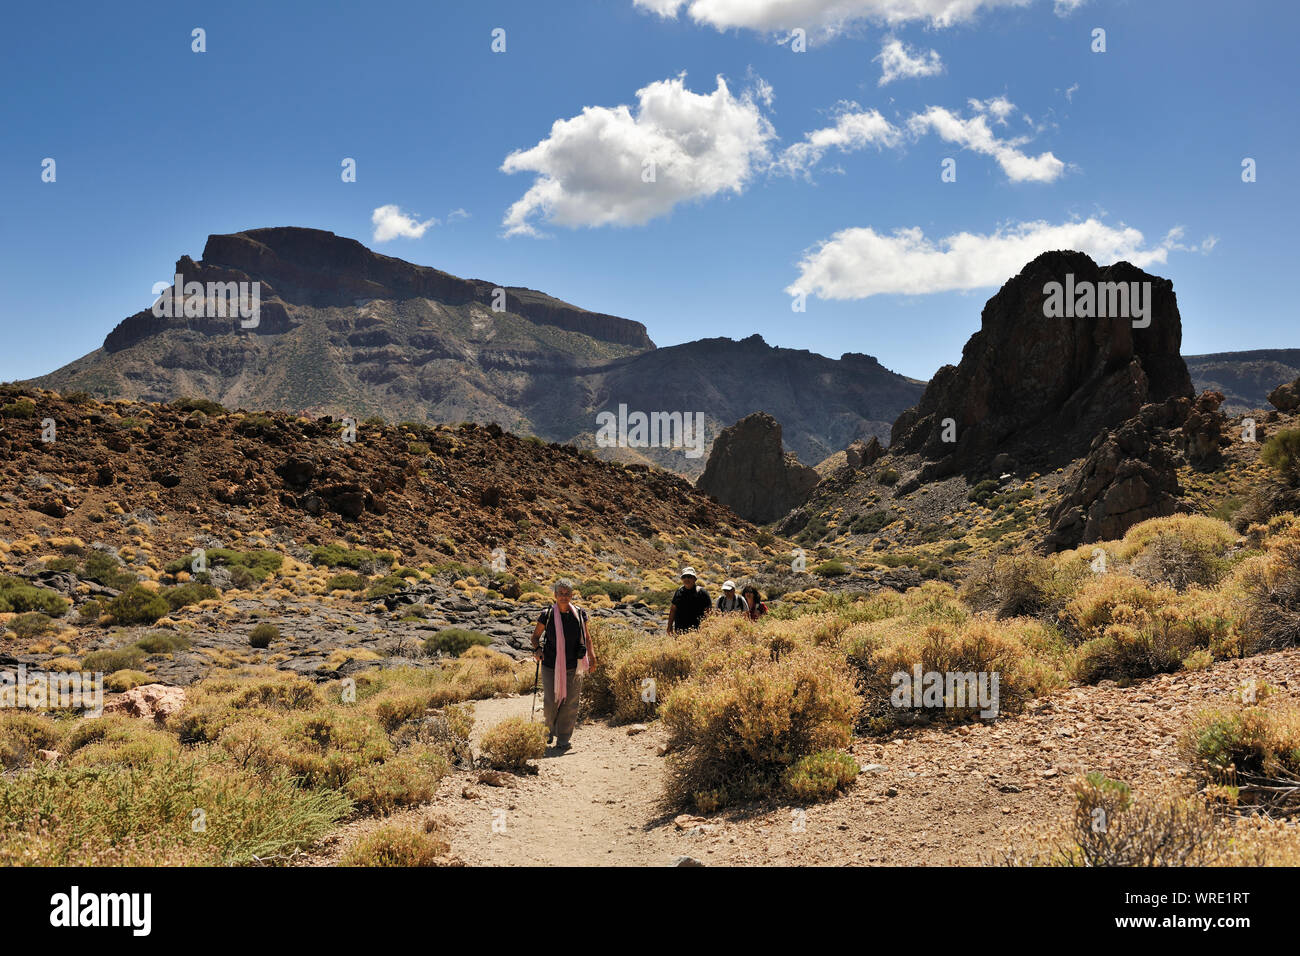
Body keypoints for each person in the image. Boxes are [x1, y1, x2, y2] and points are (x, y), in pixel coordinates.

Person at [529, 580, 594, 754]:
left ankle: (563, 739)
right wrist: (537, 649)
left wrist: (592, 656)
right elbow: (535, 636)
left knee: (571, 703)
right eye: (561, 593)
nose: (564, 596)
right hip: (551, 664)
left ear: (572, 595)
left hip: (575, 665)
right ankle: (548, 731)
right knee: (551, 702)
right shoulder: (547, 614)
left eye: (567, 594)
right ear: (555, 595)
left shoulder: (580, 614)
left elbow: (587, 638)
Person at [666, 567, 710, 634]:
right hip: (680, 632)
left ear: (694, 579)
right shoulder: (679, 592)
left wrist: (706, 628)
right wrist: (669, 626)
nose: (686, 579)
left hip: (697, 632)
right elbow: (673, 610)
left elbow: (709, 612)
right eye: (684, 577)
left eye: (689, 577)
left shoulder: (702, 593)